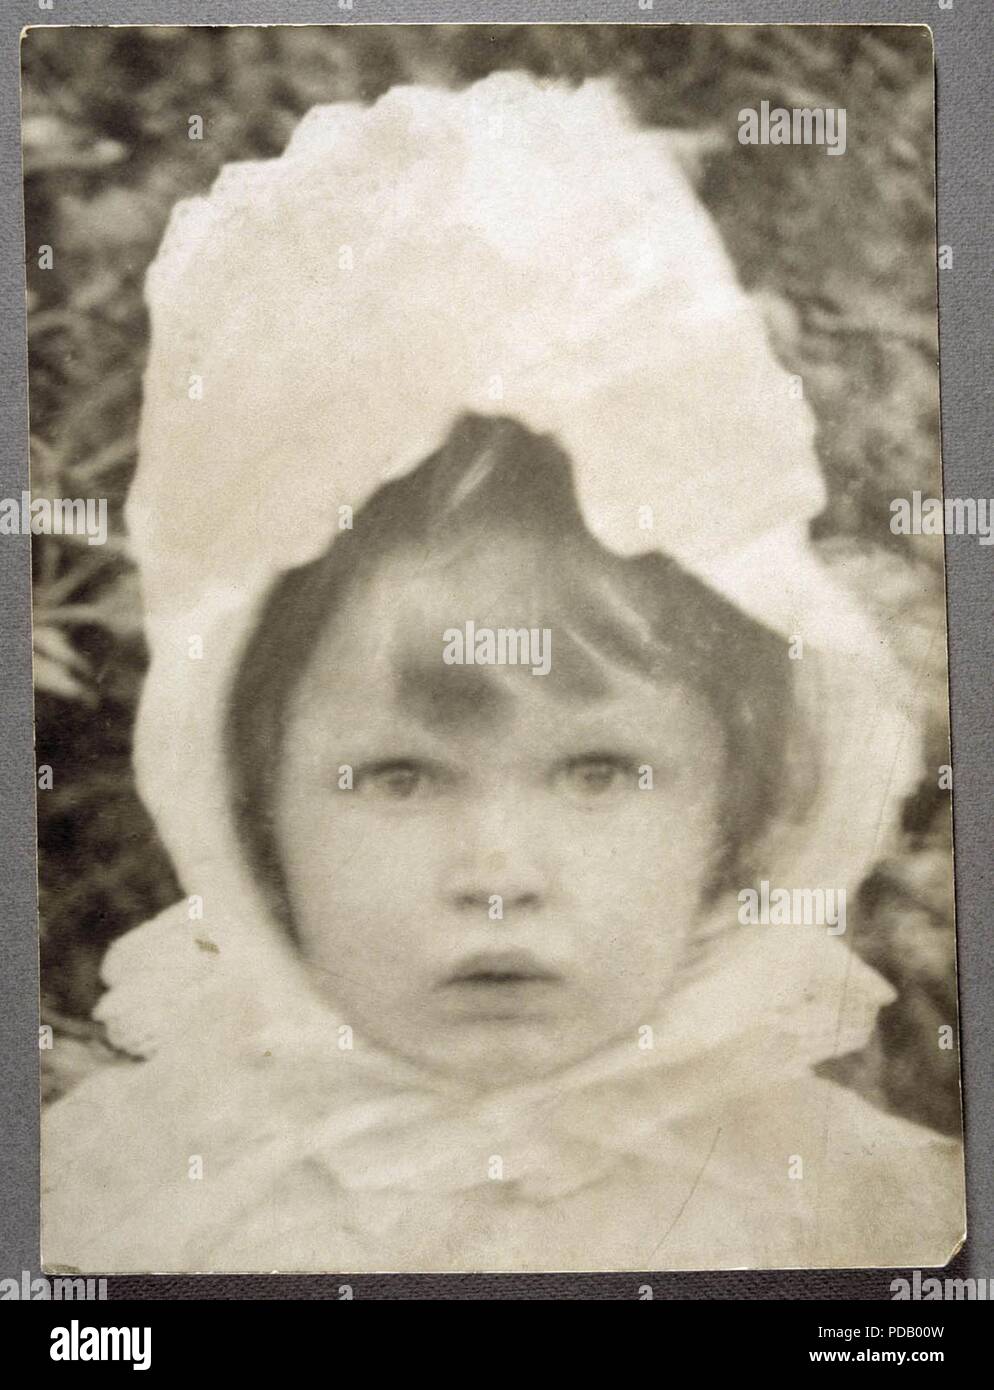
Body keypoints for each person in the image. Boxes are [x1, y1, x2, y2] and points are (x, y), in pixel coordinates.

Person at [42, 73, 963, 1273]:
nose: (496, 875)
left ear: (736, 811)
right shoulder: (134, 1204)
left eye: (597, 771)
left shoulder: (849, 1217)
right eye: (398, 777)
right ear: (249, 809)